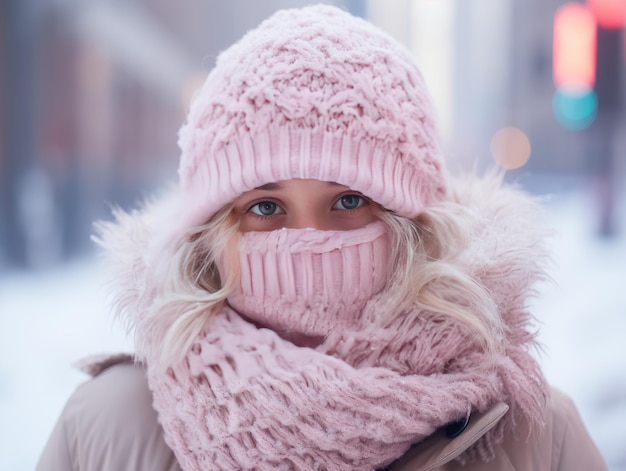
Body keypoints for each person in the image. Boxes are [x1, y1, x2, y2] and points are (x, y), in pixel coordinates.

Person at [36, 5, 606, 470]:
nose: (307, 243)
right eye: (264, 206)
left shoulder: (536, 440)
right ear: (208, 235)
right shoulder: (105, 430)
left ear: (416, 227)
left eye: (349, 201)